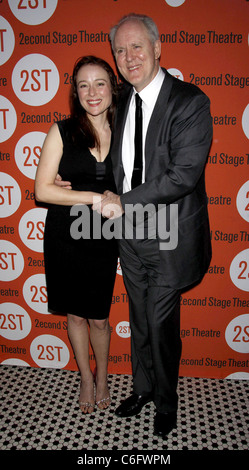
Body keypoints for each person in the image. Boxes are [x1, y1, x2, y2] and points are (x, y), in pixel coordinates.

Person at [92, 13, 213, 437]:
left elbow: (183, 175)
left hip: (170, 235)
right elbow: (115, 162)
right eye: (120, 50)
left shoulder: (190, 101)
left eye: (137, 46)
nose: (129, 57)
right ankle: (142, 389)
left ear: (158, 47)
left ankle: (166, 401)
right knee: (140, 319)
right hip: (129, 236)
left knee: (161, 324)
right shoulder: (121, 101)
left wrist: (121, 203)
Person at [35, 55, 118, 414]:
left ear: (113, 88)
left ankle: (103, 376)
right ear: (75, 92)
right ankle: (85, 376)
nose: (92, 92)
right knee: (75, 316)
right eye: (83, 85)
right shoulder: (63, 131)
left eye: (99, 83)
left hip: (104, 236)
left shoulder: (130, 130)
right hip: (65, 236)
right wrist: (94, 196)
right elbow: (43, 191)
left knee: (99, 316)